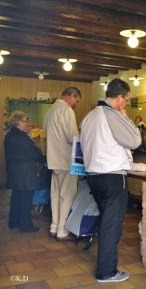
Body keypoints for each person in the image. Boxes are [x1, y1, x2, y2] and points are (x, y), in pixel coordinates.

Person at [80, 78, 141, 283]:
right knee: (112, 225)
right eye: (126, 100)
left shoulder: (89, 117)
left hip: (94, 178)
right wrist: (125, 117)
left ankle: (107, 266)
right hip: (113, 177)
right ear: (119, 98)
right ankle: (107, 272)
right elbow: (135, 140)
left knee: (108, 222)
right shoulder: (111, 114)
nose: (126, 104)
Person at [43, 86, 81, 241]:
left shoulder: (51, 109)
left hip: (52, 159)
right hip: (66, 160)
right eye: (76, 100)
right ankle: (61, 229)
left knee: (55, 195)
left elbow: (46, 130)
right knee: (67, 195)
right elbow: (73, 136)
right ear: (71, 96)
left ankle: (53, 226)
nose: (75, 104)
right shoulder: (67, 110)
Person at [4, 111, 45, 232]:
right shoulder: (21, 137)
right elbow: (34, 153)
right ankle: (26, 226)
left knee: (16, 197)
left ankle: (13, 222)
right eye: (25, 120)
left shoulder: (10, 135)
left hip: (14, 172)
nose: (27, 123)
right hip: (25, 173)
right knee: (26, 200)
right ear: (18, 122)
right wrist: (42, 158)